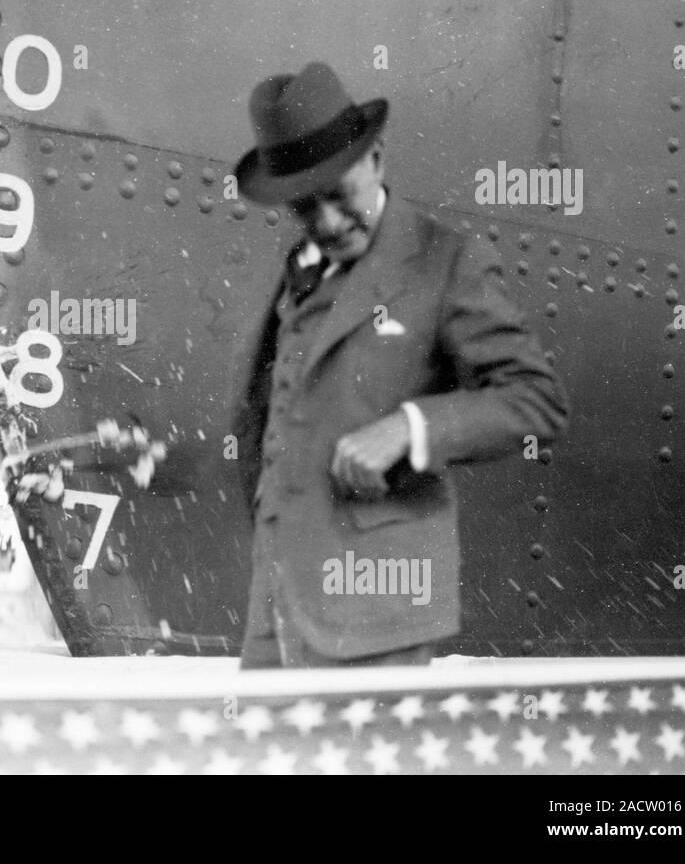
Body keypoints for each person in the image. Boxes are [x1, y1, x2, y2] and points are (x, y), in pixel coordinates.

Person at [230, 62, 569, 669]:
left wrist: (409, 429)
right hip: (274, 620)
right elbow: (275, 435)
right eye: (305, 208)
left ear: (378, 159)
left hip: (375, 616)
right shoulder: (297, 273)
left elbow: (536, 399)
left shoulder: (447, 260)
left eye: (339, 196)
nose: (328, 224)